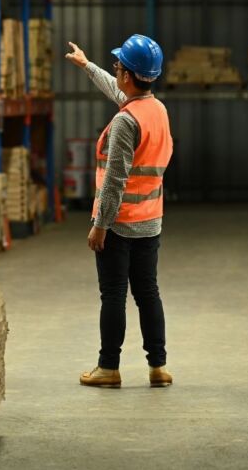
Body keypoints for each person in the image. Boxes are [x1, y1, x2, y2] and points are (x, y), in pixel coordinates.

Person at [65, 35, 174, 389]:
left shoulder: (126, 122)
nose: (116, 73)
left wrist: (100, 225)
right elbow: (118, 91)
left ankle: (108, 367)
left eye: (118, 68)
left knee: (113, 294)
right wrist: (86, 65)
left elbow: (114, 181)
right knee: (148, 293)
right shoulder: (155, 109)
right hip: (150, 220)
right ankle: (158, 366)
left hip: (120, 224)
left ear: (128, 75)